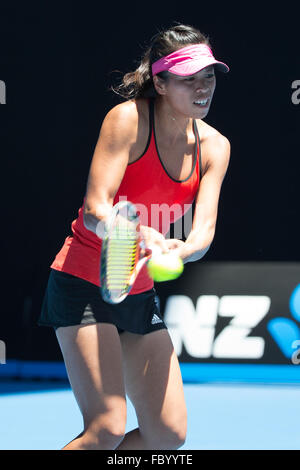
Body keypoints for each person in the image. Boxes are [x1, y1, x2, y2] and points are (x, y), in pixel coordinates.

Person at [38, 23, 230, 450]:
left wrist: (182, 247)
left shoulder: (216, 147)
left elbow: (202, 235)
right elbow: (94, 212)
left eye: (209, 76)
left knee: (167, 436)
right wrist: (135, 233)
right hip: (82, 280)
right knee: (105, 429)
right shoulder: (127, 120)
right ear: (160, 83)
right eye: (188, 79)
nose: (203, 88)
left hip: (138, 292)